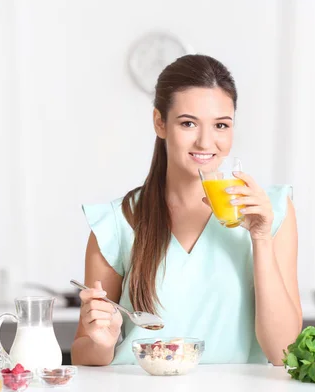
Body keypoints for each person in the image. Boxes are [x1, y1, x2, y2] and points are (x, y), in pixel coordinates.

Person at [71, 54, 302, 366]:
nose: (206, 141)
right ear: (160, 123)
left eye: (221, 125)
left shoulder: (272, 211)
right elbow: (84, 353)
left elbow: (284, 352)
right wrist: (102, 343)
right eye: (188, 123)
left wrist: (261, 237)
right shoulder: (118, 222)